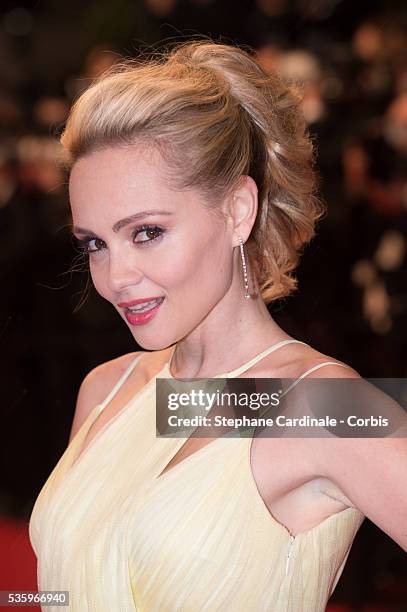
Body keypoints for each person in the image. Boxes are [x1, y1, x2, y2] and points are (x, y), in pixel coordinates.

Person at [28, 41, 407, 611]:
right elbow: (62, 591)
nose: (115, 277)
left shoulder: (319, 405)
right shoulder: (107, 389)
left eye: (147, 232)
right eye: (95, 244)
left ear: (237, 211)